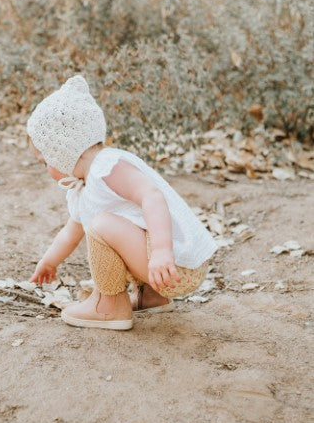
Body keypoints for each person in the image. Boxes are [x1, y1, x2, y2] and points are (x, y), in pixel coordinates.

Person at [27, 75, 218, 330]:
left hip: (176, 264)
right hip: (161, 272)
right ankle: (151, 298)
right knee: (109, 223)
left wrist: (162, 250)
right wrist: (49, 262)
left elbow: (151, 196)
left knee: (102, 225)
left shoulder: (106, 166)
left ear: (63, 152)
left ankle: (109, 307)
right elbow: (70, 234)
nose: (47, 170)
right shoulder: (82, 189)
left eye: (45, 162)